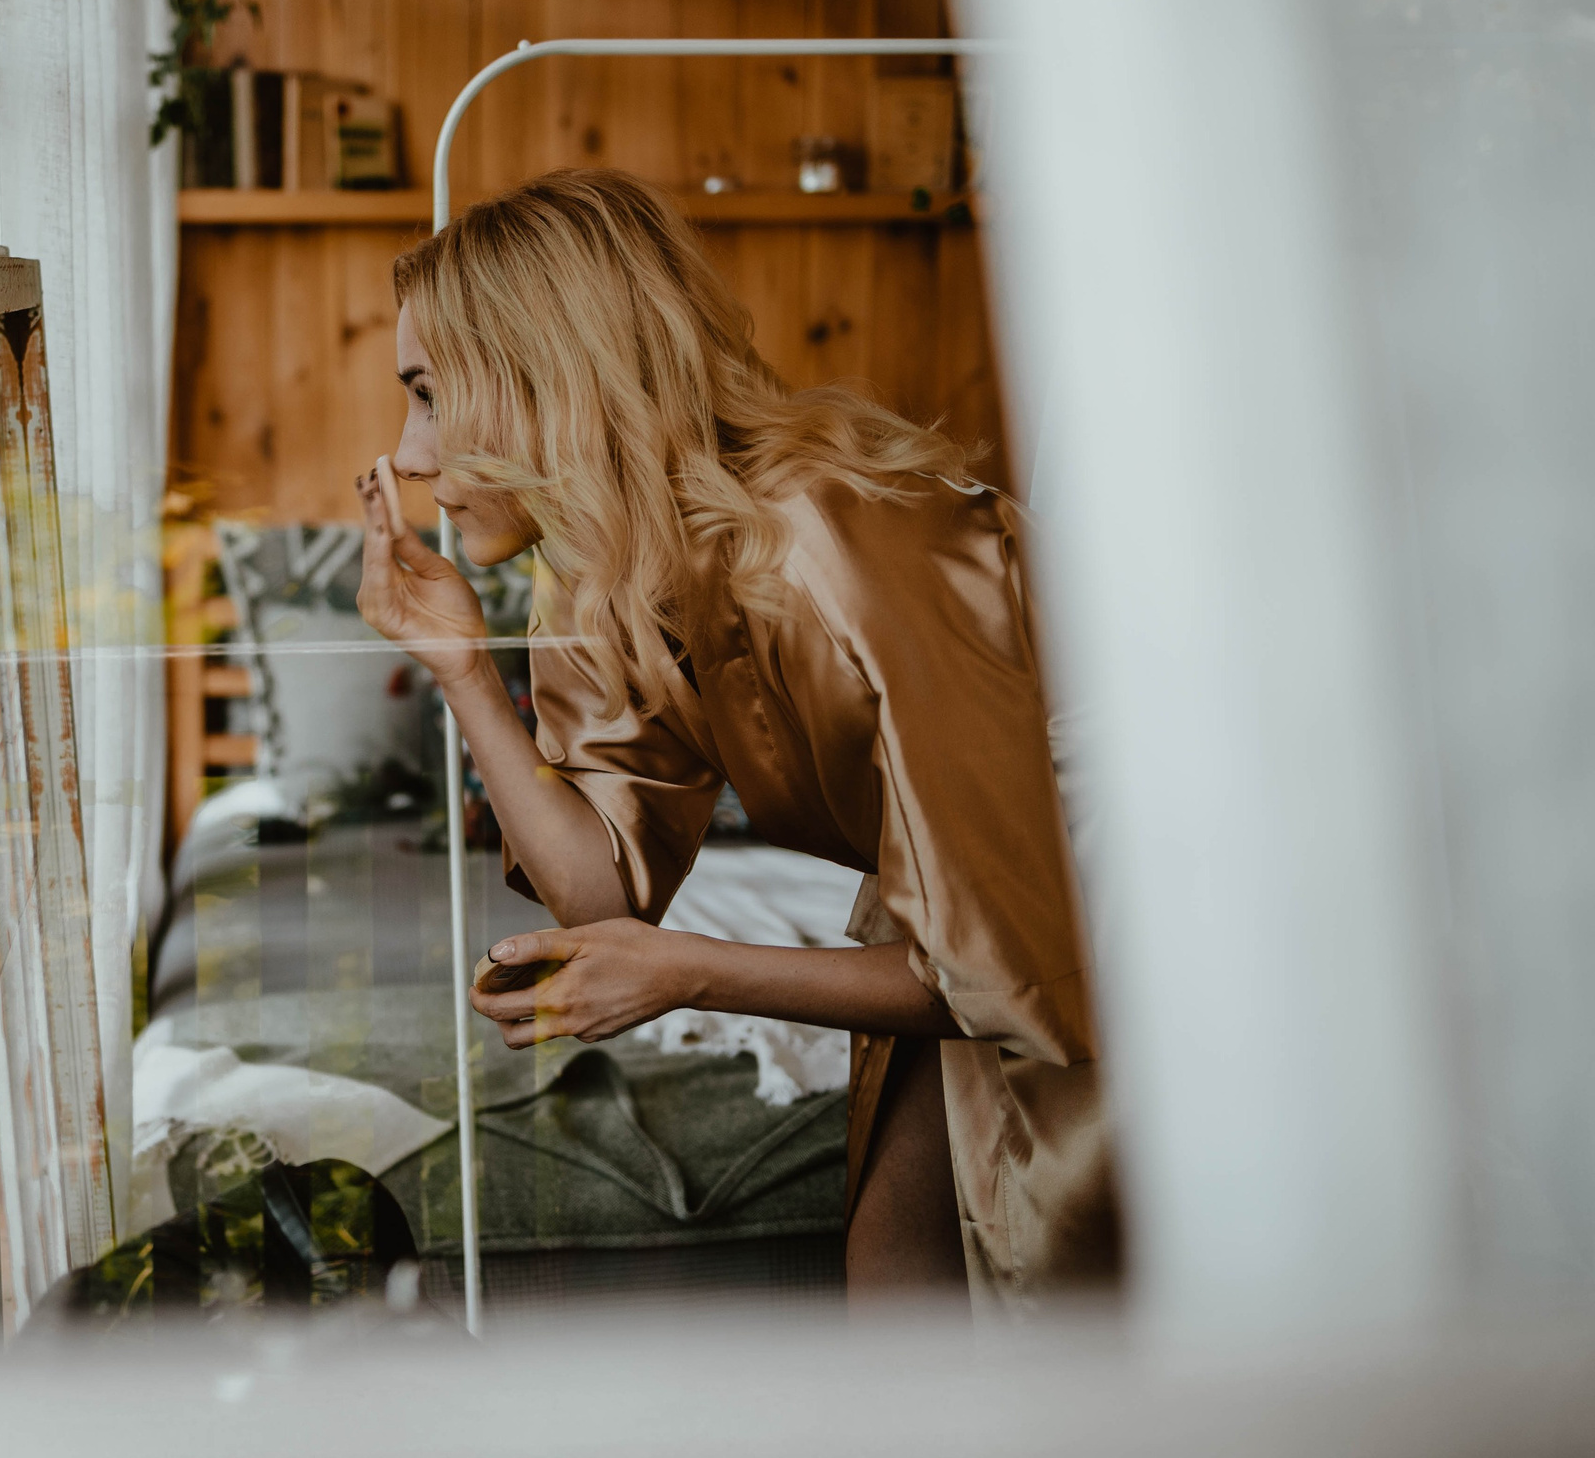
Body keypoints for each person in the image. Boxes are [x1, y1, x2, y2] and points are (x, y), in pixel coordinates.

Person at [353, 168, 1117, 1305]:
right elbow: (604, 901)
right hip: (946, 914)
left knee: (1038, 1288)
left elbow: (1017, 963)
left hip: (1122, 901)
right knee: (899, 1268)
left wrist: (696, 975)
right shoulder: (602, 584)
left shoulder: (831, 540)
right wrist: (464, 669)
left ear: (544, 377)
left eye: (426, 392)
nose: (408, 457)